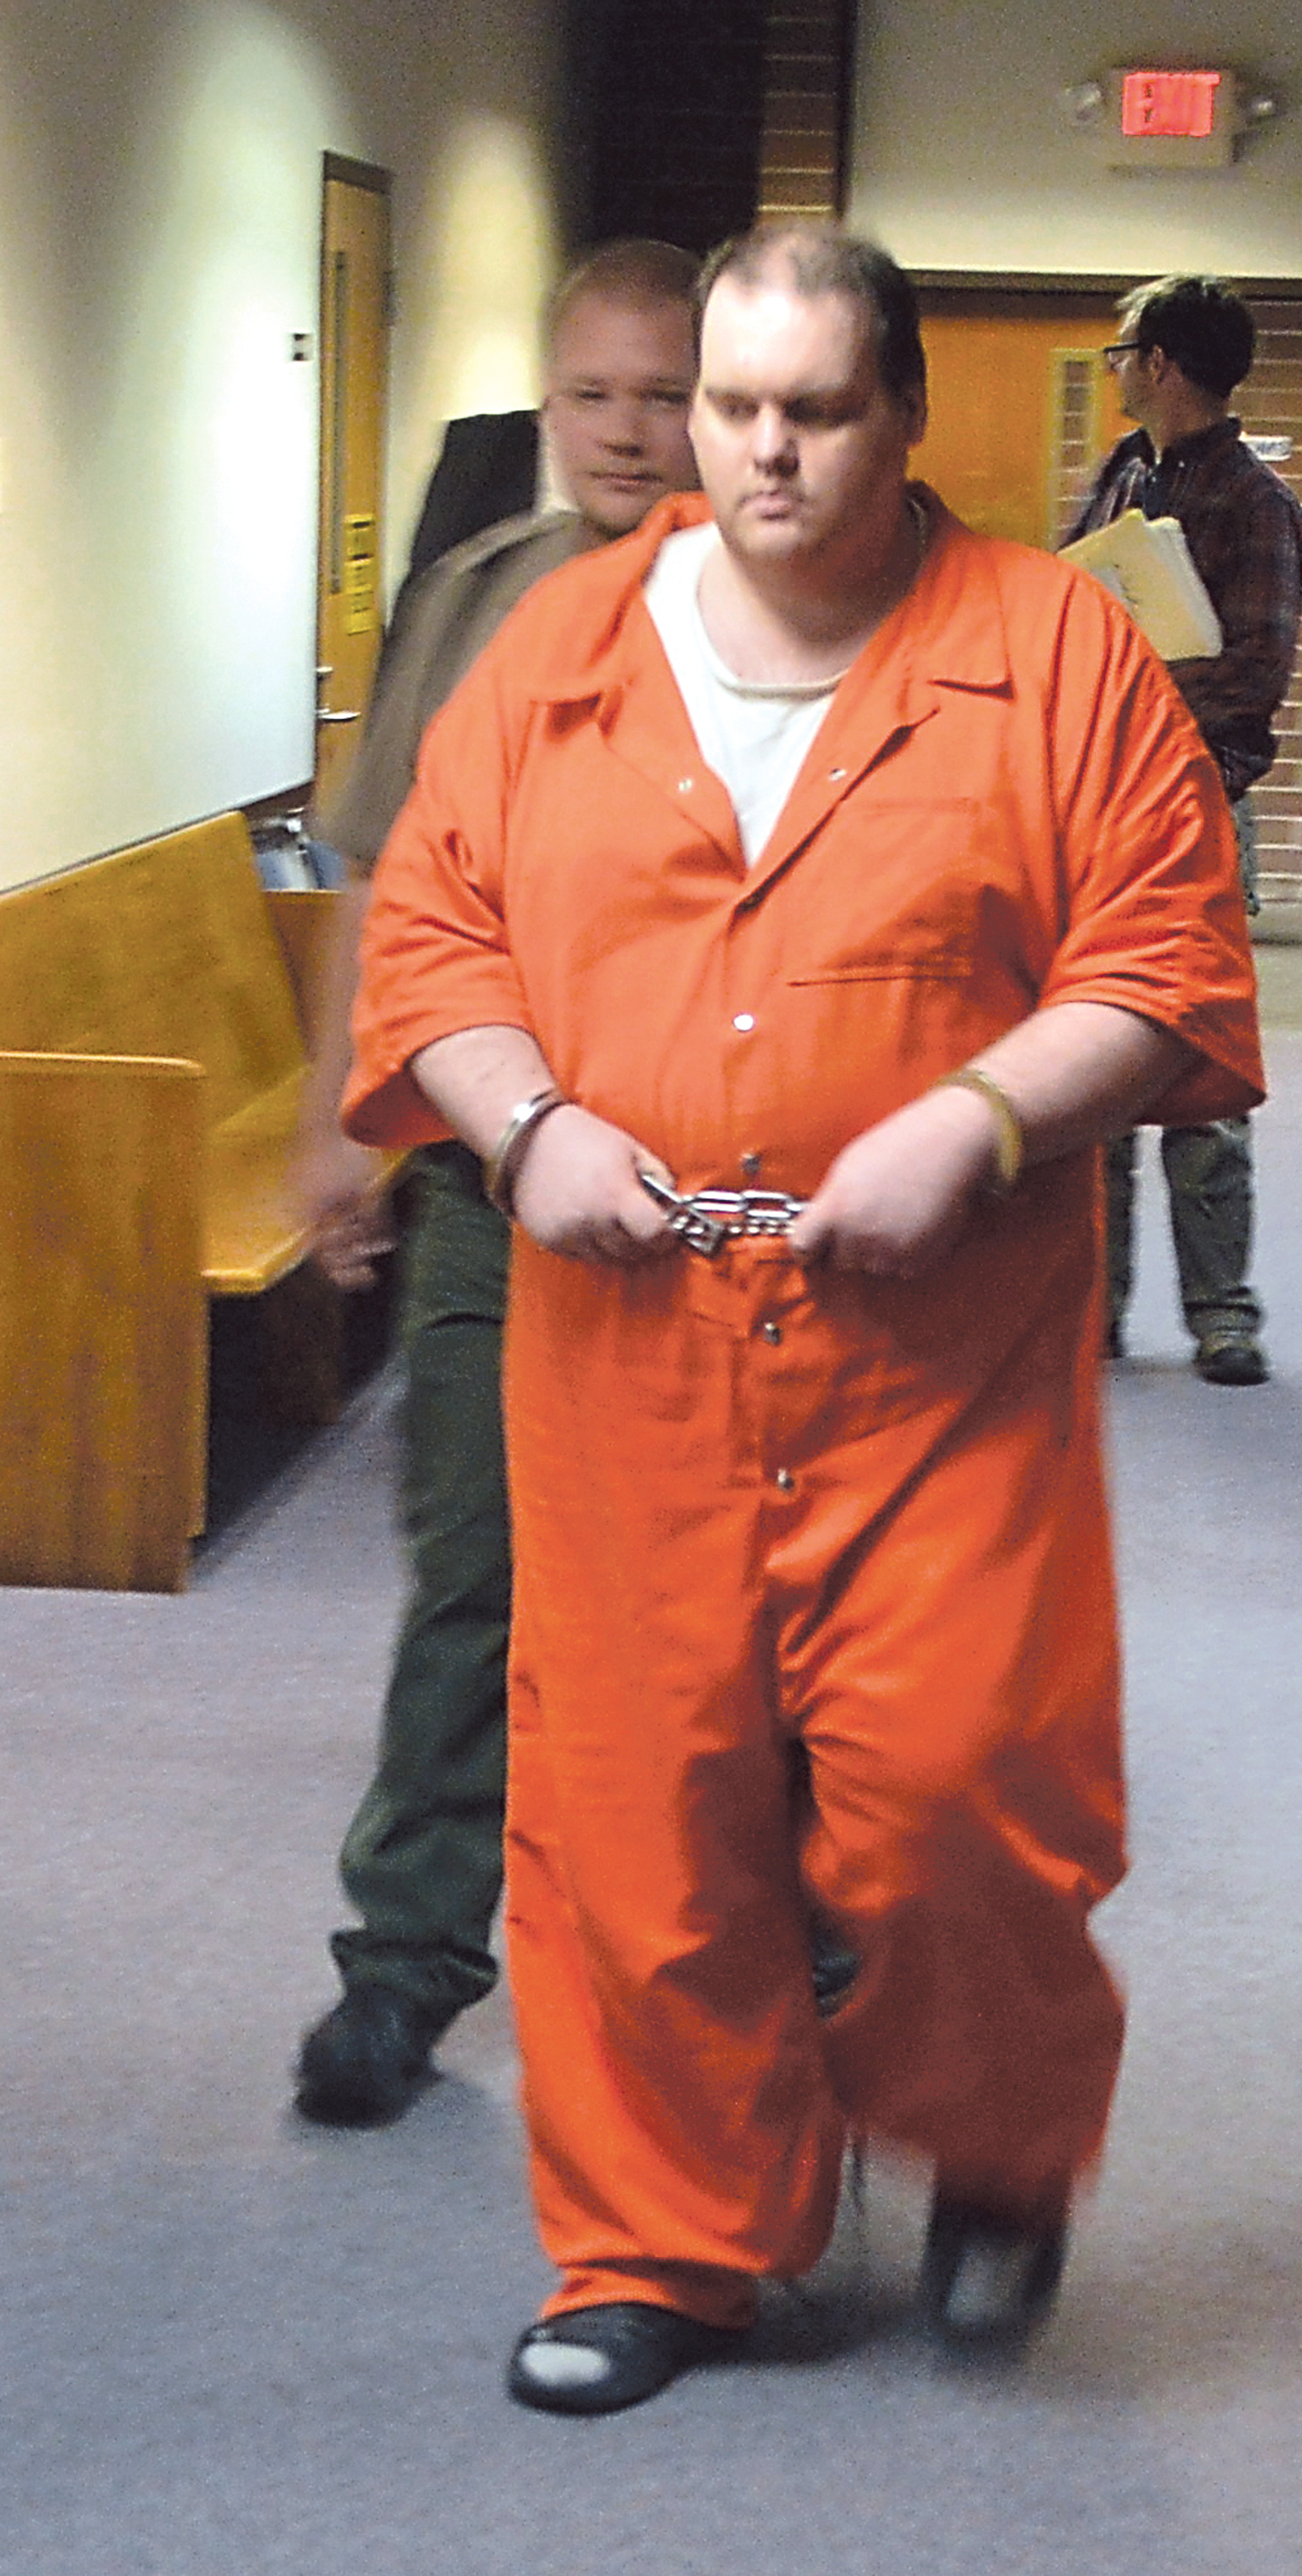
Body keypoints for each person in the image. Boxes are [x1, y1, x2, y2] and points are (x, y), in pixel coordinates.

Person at [343, 221, 1264, 2413]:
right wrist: (529, 1123)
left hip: (938, 1366)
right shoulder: (559, 649)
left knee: (957, 1798)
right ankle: (666, 2241)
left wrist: (979, 1114)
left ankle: (999, 2149)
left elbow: (1161, 958)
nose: (755, 453)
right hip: (627, 1358)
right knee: (638, 1823)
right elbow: (436, 943)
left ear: (905, 416)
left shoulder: (1055, 655)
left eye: (813, 411)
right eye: (731, 407)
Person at [290, 238, 701, 2127]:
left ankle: (739, 1978)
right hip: (490, 1190)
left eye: (666, 388)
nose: (630, 429)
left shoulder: (802, 609)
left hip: (720, 1205)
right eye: (595, 394)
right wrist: (334, 1120)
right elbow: (364, 875)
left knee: (733, 1603)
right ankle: (406, 1960)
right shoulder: (472, 598)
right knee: (476, 1577)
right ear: (555, 407)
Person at [1062, 275, 1302, 1387]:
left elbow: (1253, 677)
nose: (1115, 369)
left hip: (1196, 802)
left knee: (1201, 1075)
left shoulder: (1255, 502)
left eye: (1123, 352)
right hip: (1094, 805)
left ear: (1160, 362)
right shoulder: (1121, 476)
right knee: (1095, 1069)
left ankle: (1223, 1313)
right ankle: (1093, 1312)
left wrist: (1148, 705)